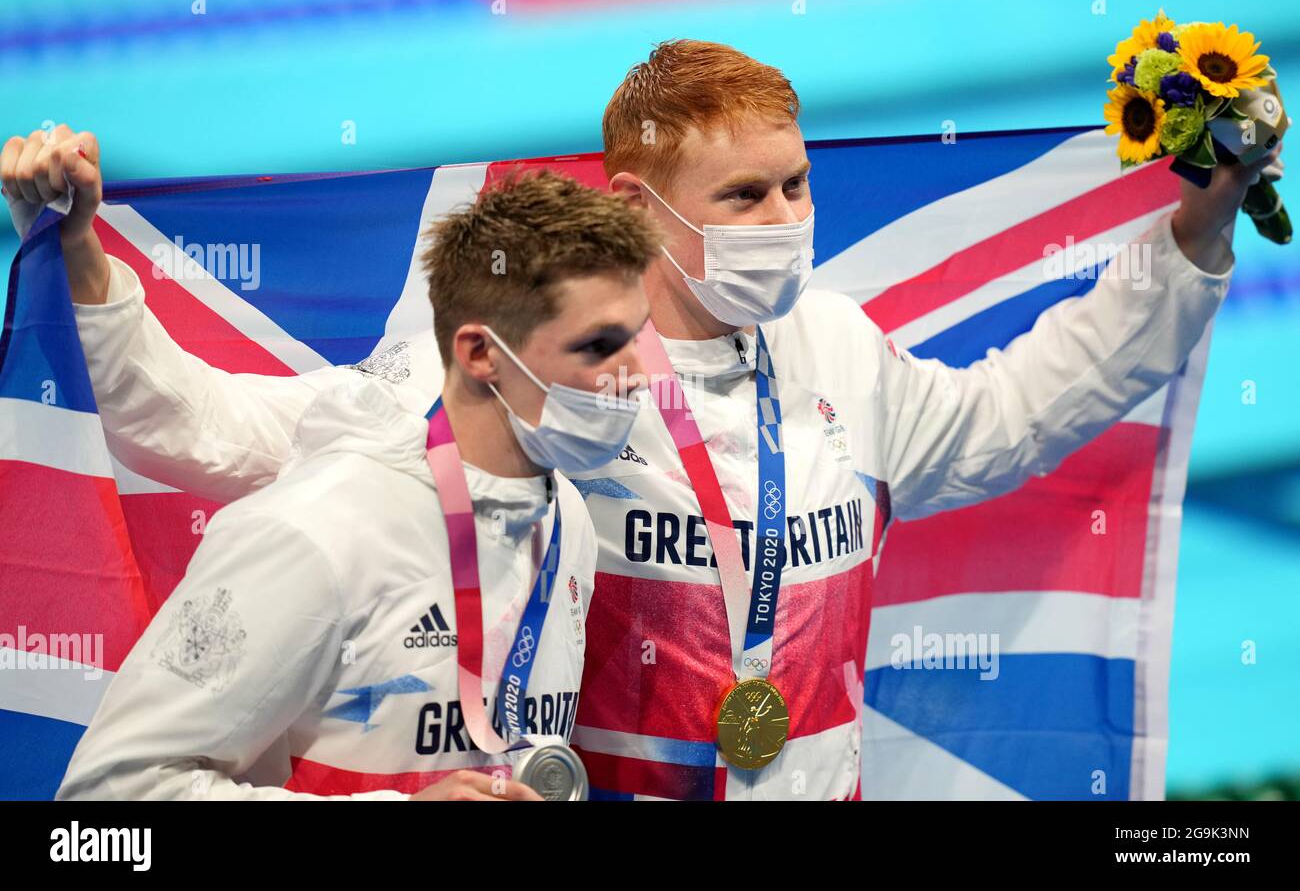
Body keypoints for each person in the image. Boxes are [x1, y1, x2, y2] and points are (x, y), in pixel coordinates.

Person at [5, 39, 1280, 800]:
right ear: (638, 201)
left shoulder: (831, 342)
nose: (785, 217)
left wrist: (1195, 230)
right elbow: (217, 434)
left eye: (796, 183)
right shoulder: (521, 367)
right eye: (743, 192)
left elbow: (1014, 414)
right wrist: (84, 270)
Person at [52, 171, 658, 800]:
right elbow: (107, 797)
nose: (637, 377)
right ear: (480, 353)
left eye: (636, 338)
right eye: (599, 346)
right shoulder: (313, 530)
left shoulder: (568, 520)